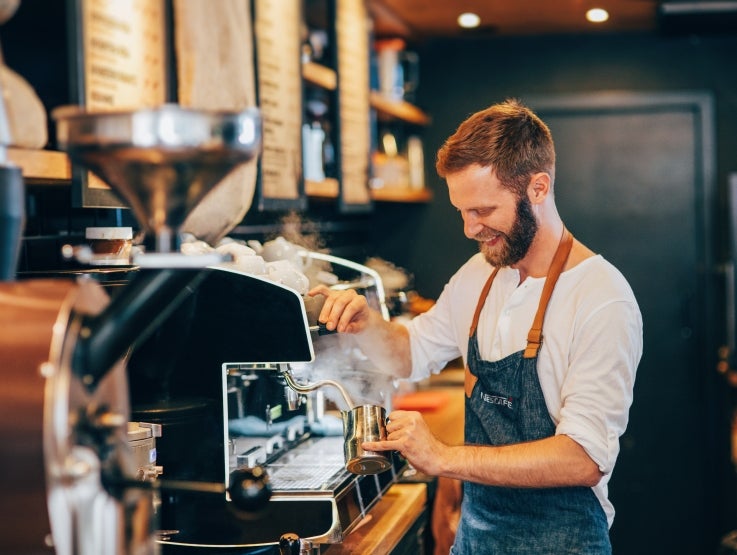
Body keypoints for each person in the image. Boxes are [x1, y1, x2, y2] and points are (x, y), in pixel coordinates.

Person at [309, 99, 643, 554]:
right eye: (462, 212)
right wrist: (365, 323)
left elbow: (583, 459)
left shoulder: (601, 297)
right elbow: (409, 353)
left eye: (483, 210)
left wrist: (443, 457)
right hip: (479, 539)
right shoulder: (479, 276)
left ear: (538, 188)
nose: (470, 228)